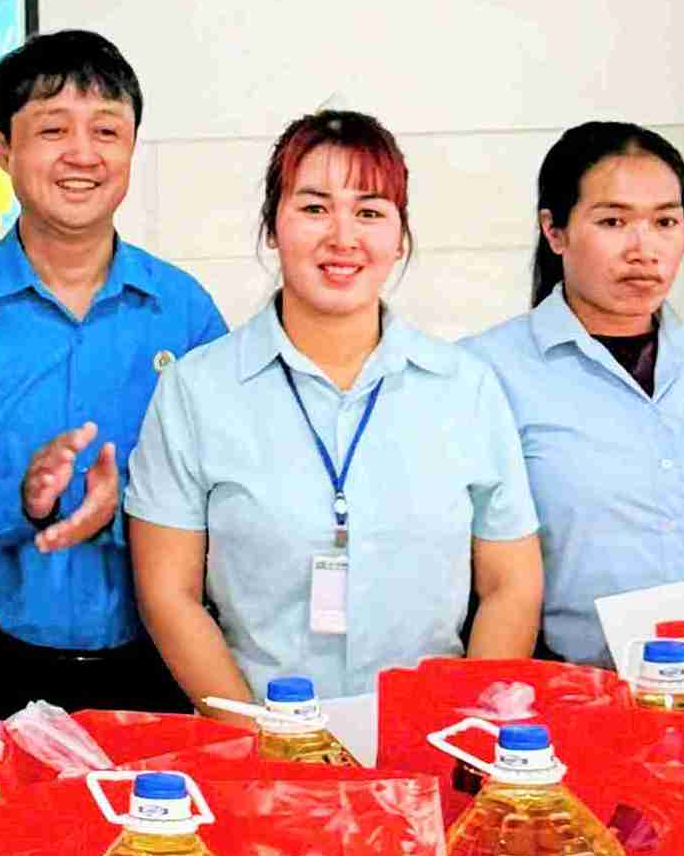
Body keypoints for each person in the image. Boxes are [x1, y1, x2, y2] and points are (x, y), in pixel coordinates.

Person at [127, 110, 543, 703]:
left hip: (427, 739)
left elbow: (512, 584)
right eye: (314, 207)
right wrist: (262, 740)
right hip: (260, 741)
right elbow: (168, 595)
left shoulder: (465, 390)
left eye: (370, 212)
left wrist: (462, 725)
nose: (342, 238)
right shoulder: (196, 392)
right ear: (273, 226)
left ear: (400, 239)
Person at [0, 32, 226, 733]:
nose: (82, 153)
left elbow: (234, 492)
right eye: (52, 129)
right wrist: (22, 500)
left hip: (153, 665)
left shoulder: (185, 311)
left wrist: (129, 504)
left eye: (106, 130)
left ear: (132, 148)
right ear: (3, 148)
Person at [463, 122, 684, 664]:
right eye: (612, 221)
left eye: (665, 221)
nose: (643, 248)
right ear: (555, 231)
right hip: (564, 698)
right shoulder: (483, 375)